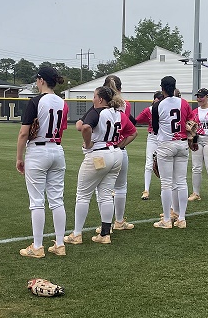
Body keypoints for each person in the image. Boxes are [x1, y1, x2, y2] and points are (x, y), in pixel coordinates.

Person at [16, 65, 69, 258]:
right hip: (57, 149)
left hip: (38, 151)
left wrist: (19, 158)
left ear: (41, 80)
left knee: (37, 200)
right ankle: (60, 244)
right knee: (56, 199)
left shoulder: (36, 101)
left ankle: (37, 247)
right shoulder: (63, 103)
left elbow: (24, 133)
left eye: (37, 80)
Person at [65, 85, 125, 245]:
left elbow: (85, 127)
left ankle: (76, 234)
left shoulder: (97, 111)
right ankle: (105, 234)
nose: (93, 99)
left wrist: (87, 143)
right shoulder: (117, 112)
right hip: (115, 153)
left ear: (100, 99)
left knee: (83, 195)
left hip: (99, 154)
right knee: (105, 194)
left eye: (94, 96)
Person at [152, 75, 193, 229]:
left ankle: (167, 219)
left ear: (162, 88)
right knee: (181, 181)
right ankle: (181, 218)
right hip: (182, 143)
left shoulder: (158, 105)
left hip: (166, 144)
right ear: (175, 87)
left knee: (166, 183)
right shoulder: (184, 102)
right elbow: (191, 122)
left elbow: (155, 129)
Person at [102, 75, 137, 229]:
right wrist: (121, 144)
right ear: (120, 89)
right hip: (119, 149)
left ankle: (106, 225)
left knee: (103, 189)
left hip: (102, 150)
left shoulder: (101, 104)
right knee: (121, 187)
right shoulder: (125, 105)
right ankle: (119, 221)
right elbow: (131, 130)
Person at [134, 90, 163, 199]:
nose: (160, 100)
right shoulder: (149, 110)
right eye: (158, 98)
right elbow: (136, 120)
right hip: (152, 137)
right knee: (149, 163)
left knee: (163, 163)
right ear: (154, 99)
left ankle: (164, 189)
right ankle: (146, 190)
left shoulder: (165, 109)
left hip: (164, 137)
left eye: (161, 98)